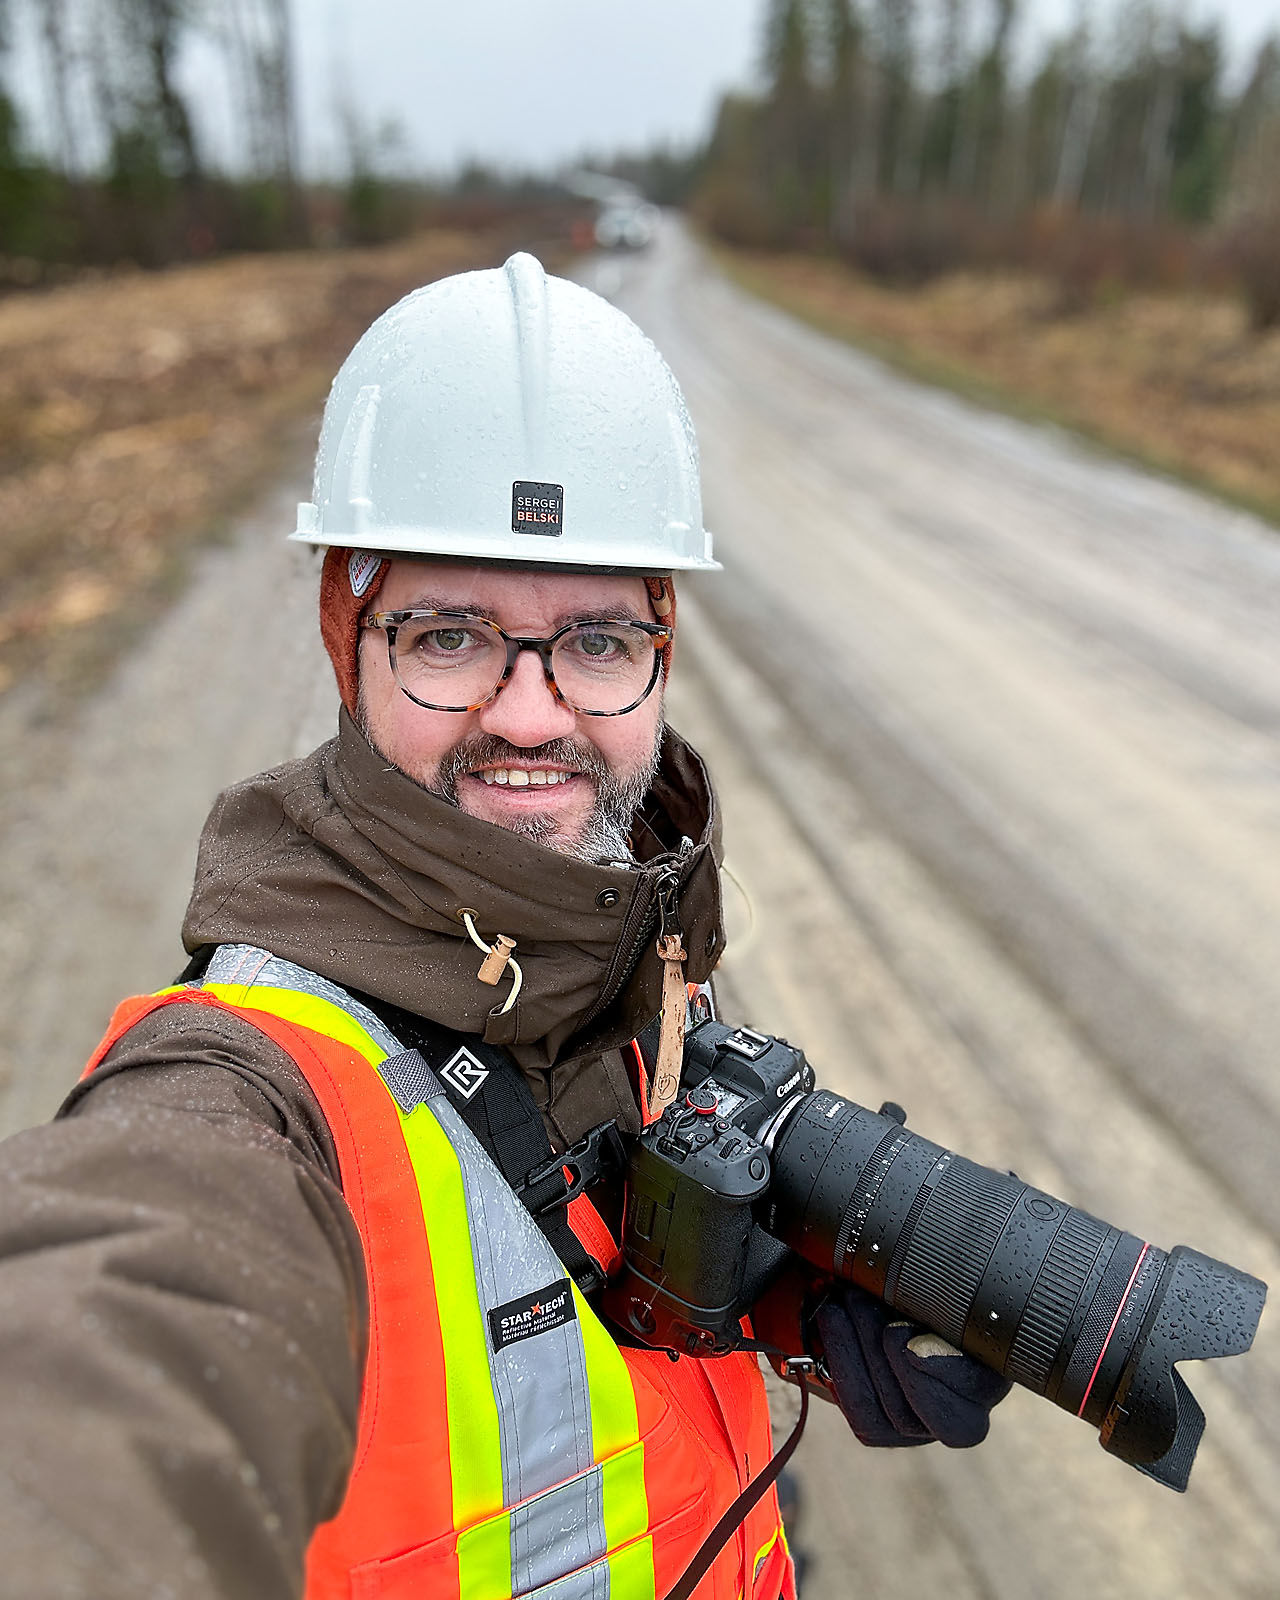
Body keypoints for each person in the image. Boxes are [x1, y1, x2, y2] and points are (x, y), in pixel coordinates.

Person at [0, 254, 1008, 1600]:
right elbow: (106, 1376)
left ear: (662, 651)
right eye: (450, 635)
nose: (531, 716)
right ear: (344, 636)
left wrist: (767, 1289)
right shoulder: (248, 1103)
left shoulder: (632, 953)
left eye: (596, 640)